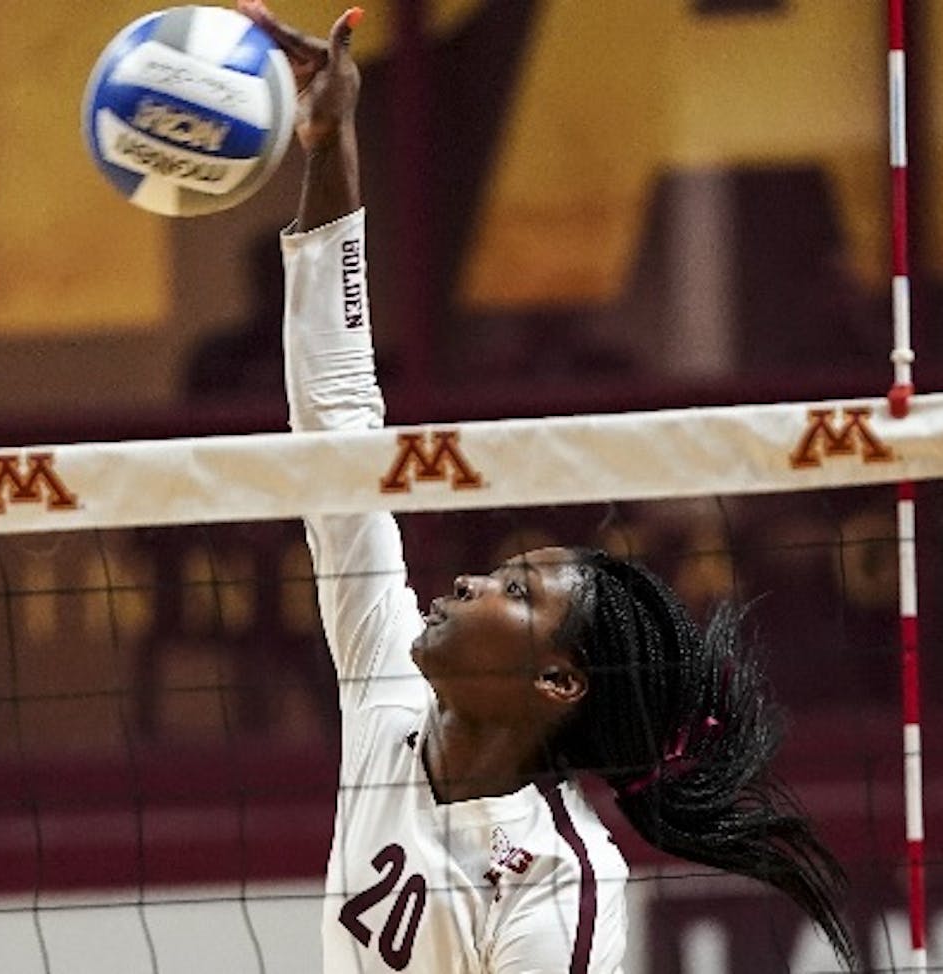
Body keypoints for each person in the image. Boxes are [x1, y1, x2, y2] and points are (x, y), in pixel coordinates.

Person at [240, 1, 855, 969]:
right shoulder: (388, 692)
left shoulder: (563, 881)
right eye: (500, 574)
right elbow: (336, 426)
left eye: (516, 590)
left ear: (556, 680)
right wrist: (328, 141)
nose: (470, 583)